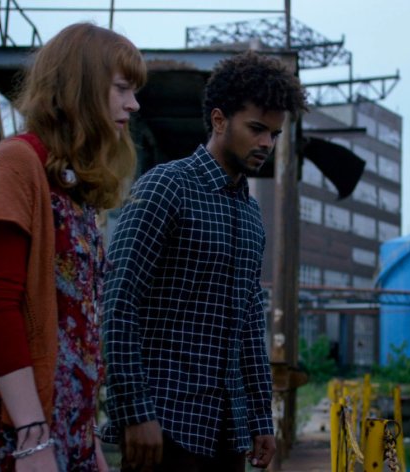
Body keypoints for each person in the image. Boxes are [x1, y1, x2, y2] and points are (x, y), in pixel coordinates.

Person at [0, 22, 146, 471]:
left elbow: (75, 332)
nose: (134, 104)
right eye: (122, 88)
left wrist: (88, 442)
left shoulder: (74, 189)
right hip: (7, 432)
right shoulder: (14, 165)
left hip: (65, 432)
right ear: (81, 88)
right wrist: (31, 438)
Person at [100, 50, 308, 471]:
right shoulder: (165, 187)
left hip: (227, 432)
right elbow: (118, 304)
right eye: (256, 129)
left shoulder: (250, 214)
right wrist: (134, 412)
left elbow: (249, 323)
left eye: (274, 134)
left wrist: (260, 417)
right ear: (219, 120)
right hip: (165, 424)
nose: (266, 144)